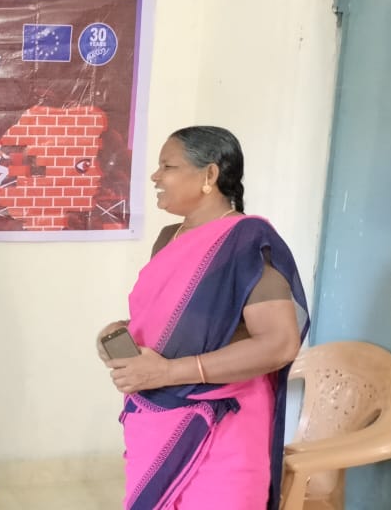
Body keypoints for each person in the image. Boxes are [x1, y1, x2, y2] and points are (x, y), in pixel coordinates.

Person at [97, 126, 308, 510]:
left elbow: (279, 344)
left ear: (209, 175)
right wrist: (124, 332)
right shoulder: (169, 237)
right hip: (156, 416)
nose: (155, 176)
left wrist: (168, 372)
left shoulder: (246, 243)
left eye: (168, 166)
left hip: (222, 427)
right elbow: (177, 323)